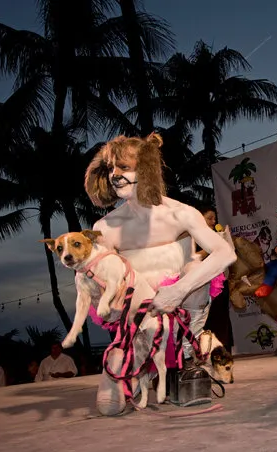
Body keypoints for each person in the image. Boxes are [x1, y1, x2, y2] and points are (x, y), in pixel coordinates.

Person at [84, 133, 237, 415]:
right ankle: (137, 364)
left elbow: (226, 254)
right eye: (111, 169)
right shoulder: (105, 227)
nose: (115, 176)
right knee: (109, 407)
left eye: (124, 167)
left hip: (182, 313)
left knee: (195, 268)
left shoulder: (181, 213)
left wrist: (177, 291)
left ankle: (192, 352)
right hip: (139, 324)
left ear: (145, 170)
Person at [197, 205, 235, 351]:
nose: (213, 221)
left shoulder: (218, 234)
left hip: (220, 281)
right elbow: (194, 258)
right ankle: (207, 349)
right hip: (203, 283)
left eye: (214, 218)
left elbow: (230, 257)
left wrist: (226, 242)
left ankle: (224, 349)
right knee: (206, 318)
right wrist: (212, 248)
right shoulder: (194, 237)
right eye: (209, 218)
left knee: (222, 316)